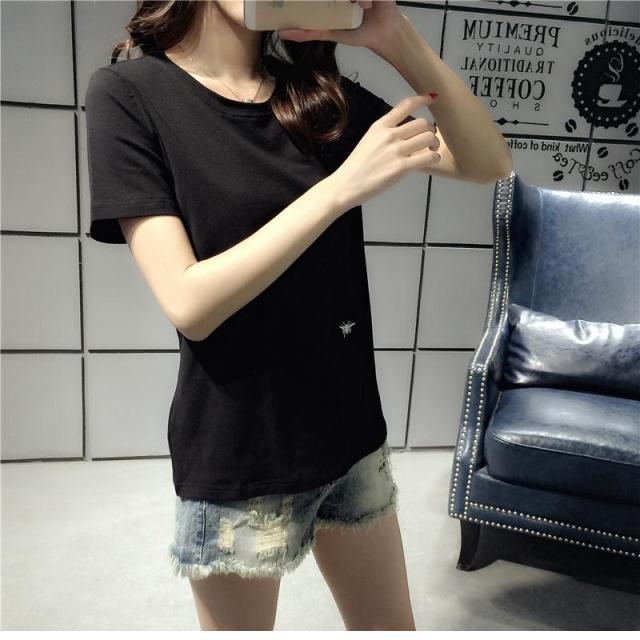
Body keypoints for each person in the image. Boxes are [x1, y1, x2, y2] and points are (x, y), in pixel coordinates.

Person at [85, 0, 512, 631]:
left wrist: (397, 37)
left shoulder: (314, 96)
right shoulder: (130, 93)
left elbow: (486, 162)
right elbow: (189, 302)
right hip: (241, 453)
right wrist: (339, 189)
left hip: (351, 438)